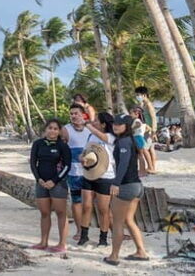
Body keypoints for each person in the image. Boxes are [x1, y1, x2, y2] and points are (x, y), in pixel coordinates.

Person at [104, 114, 149, 266]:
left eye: (120, 124)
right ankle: (141, 251)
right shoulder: (131, 140)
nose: (116, 126)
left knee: (117, 222)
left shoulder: (123, 141)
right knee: (129, 221)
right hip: (137, 186)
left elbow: (123, 164)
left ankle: (114, 256)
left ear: (127, 127)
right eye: (115, 123)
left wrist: (116, 183)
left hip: (126, 186)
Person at [29, 119, 71, 252]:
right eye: (50, 128)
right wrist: (38, 179)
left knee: (60, 213)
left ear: (59, 131)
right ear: (45, 129)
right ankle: (43, 242)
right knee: (44, 212)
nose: (52, 131)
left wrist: (55, 180)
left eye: (55, 129)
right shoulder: (38, 144)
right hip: (41, 183)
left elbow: (67, 166)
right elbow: (33, 163)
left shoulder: (62, 146)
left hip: (58, 184)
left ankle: (62, 244)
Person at [78, 112, 116, 246]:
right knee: (86, 206)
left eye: (96, 121)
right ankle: (84, 235)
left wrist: (87, 125)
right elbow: (85, 151)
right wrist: (82, 158)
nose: (93, 123)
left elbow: (103, 137)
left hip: (105, 176)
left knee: (103, 209)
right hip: (89, 173)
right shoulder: (91, 136)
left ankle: (103, 238)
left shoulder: (111, 137)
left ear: (104, 124)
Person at [61, 103, 92, 241]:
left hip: (91, 172)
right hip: (74, 173)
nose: (73, 116)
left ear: (83, 114)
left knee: (92, 203)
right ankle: (79, 230)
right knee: (77, 201)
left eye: (76, 113)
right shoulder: (66, 129)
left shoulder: (90, 129)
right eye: (71, 114)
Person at [135, 87, 158, 173]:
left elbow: (153, 118)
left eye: (138, 95)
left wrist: (154, 131)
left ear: (144, 95)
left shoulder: (149, 105)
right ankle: (152, 167)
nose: (137, 97)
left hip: (149, 129)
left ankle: (151, 167)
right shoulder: (143, 104)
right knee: (150, 148)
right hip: (145, 129)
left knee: (145, 148)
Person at [130, 107, 155, 175]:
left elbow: (138, 124)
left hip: (137, 137)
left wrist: (131, 129)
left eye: (131, 113)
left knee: (140, 154)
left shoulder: (137, 120)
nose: (130, 115)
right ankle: (147, 168)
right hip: (139, 137)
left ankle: (143, 170)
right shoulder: (141, 121)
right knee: (142, 154)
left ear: (137, 114)